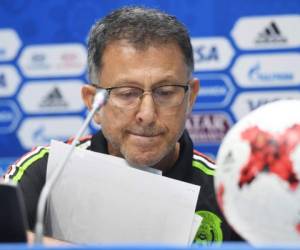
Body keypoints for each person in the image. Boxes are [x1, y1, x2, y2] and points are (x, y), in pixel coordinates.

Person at [3, 6, 241, 244]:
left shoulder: (228, 190)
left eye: (166, 92)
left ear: (191, 97)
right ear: (91, 102)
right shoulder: (46, 173)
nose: (147, 115)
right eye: (127, 93)